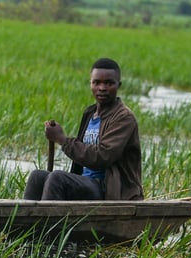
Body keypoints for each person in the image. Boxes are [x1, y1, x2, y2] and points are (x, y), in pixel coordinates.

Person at [23, 57, 143, 201]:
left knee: (57, 178)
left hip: (110, 190)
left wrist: (62, 140)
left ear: (119, 85)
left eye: (109, 83)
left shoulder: (123, 118)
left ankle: (48, 223)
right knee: (37, 176)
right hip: (88, 183)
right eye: (97, 82)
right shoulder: (90, 114)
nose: (102, 88)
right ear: (90, 84)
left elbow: (102, 157)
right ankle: (25, 220)